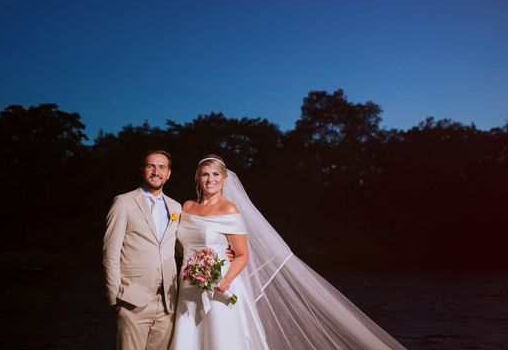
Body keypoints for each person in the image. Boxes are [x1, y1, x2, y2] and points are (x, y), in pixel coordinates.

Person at [171, 155, 407, 350]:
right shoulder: (187, 207)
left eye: (215, 175)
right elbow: (180, 244)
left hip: (219, 285)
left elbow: (242, 254)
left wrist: (226, 280)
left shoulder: (230, 209)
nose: (210, 179)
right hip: (188, 284)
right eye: (205, 174)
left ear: (224, 179)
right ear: (198, 178)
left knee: (220, 338)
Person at [103, 150, 182, 350]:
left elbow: (183, 249)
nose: (156, 171)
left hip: (168, 302)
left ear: (169, 173)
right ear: (142, 170)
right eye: (151, 166)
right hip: (132, 302)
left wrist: (221, 252)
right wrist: (115, 299)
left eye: (162, 167)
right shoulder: (123, 202)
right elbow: (110, 253)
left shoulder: (176, 207)